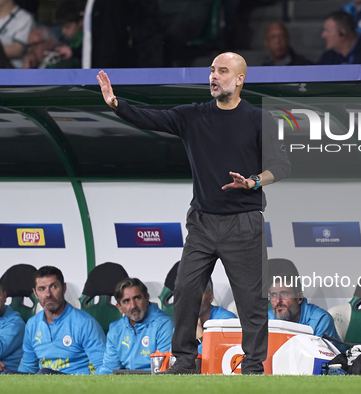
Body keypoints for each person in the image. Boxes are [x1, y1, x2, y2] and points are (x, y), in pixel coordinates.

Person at [97, 52, 291, 375]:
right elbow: (151, 119)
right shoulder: (193, 116)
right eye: (212, 70)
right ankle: (184, 361)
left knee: (252, 300)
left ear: (240, 79)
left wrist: (254, 181)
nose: (214, 76)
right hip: (202, 221)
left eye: (223, 71)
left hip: (244, 223)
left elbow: (282, 166)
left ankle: (254, 367)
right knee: (185, 289)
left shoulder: (260, 119)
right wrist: (117, 104)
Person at [18, 266, 106, 374]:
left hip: (77, 386)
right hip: (44, 386)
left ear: (64, 288)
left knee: (44, 373)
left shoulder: (85, 323)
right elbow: (27, 367)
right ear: (35, 293)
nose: (48, 294)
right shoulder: (32, 325)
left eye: (54, 287)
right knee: (6, 375)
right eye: (41, 289)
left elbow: (103, 367)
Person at [97, 278, 174, 374]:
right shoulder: (116, 330)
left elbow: (165, 369)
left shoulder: (164, 325)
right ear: (119, 308)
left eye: (137, 298)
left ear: (147, 298)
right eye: (126, 301)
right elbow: (109, 369)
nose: (133, 306)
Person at [268, 276, 341, 343]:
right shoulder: (267, 318)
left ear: (299, 298)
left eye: (284, 294)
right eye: (273, 295)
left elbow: (318, 357)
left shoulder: (320, 320)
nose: (278, 300)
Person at [196, 279, 236, 355]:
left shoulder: (227, 321)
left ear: (210, 297)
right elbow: (174, 358)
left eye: (198, 293)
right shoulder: (183, 320)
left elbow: (220, 360)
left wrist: (200, 340)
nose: (192, 299)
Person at [52, 0, 83, 69]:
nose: (63, 32)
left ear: (80, 22)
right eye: (62, 27)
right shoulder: (61, 42)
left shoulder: (85, 42)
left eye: (67, 27)